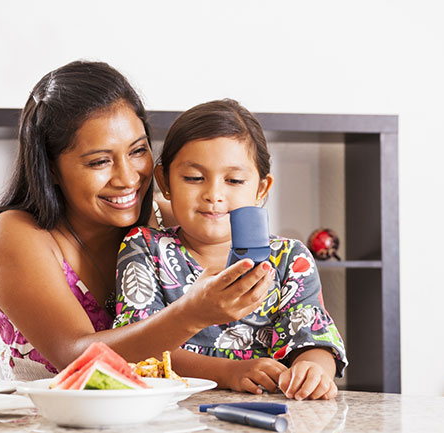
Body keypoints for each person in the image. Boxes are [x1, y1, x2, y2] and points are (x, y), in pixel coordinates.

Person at [0, 62, 275, 381]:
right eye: (100, 161)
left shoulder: (164, 222)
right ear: (51, 167)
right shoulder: (15, 234)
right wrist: (192, 313)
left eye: (138, 151)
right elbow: (77, 359)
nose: (128, 178)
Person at [114, 99, 348, 400]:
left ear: (261, 189)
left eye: (234, 180)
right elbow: (138, 349)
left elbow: (313, 338)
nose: (213, 194)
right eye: (194, 178)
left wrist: (313, 369)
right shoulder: (144, 248)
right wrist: (228, 373)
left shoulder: (290, 258)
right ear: (165, 181)